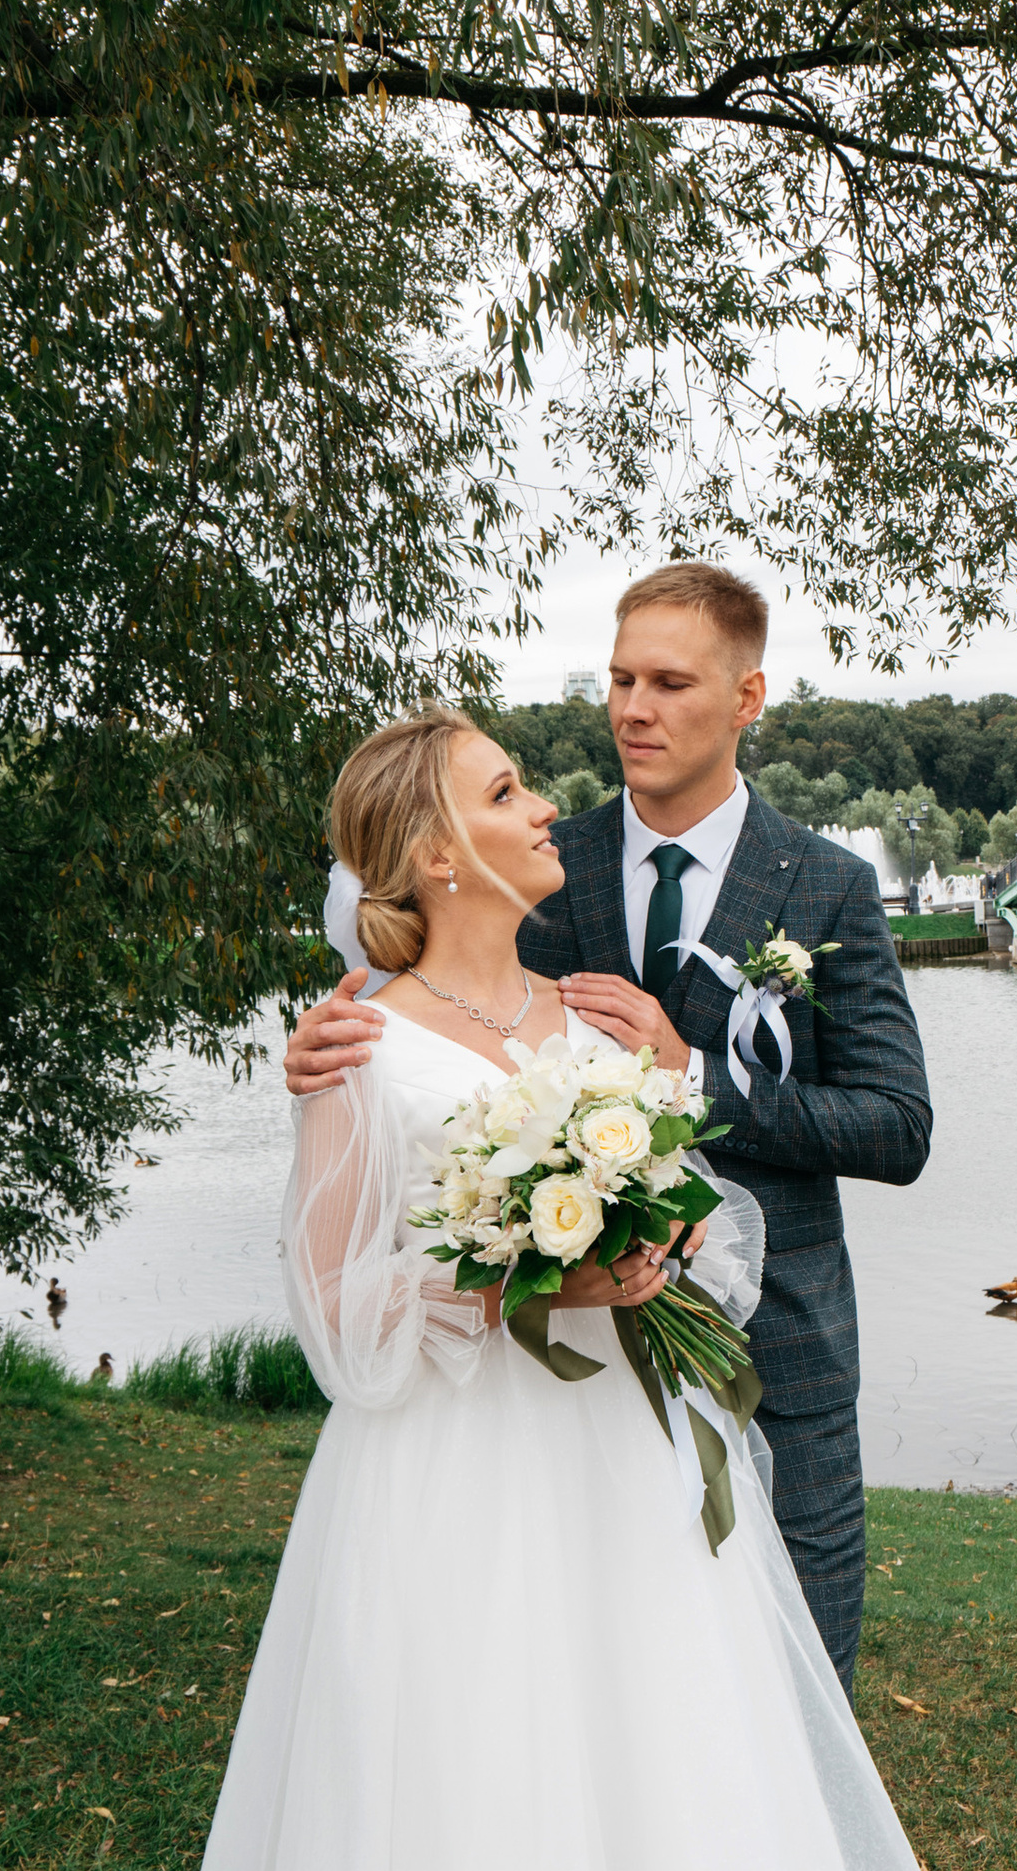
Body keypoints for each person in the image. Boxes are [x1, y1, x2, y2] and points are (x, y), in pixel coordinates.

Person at [49, 706, 1017, 1871]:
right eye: (509, 790)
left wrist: (642, 1249)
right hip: (459, 1491)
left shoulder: (599, 1016)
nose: (548, 807)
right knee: (481, 1823)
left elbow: (712, 1237)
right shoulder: (362, 1046)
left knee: (680, 1811)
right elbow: (348, 1316)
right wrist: (506, 1267)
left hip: (626, 1471)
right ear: (436, 851)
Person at [282, 559, 929, 1690]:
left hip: (782, 1351)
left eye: (671, 682)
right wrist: (318, 1052)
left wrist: (695, 1078)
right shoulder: (535, 863)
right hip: (549, 1387)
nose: (634, 709)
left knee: (799, 1694)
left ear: (746, 699)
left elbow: (896, 1125)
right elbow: (428, 1027)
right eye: (620, 678)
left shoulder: (824, 884)